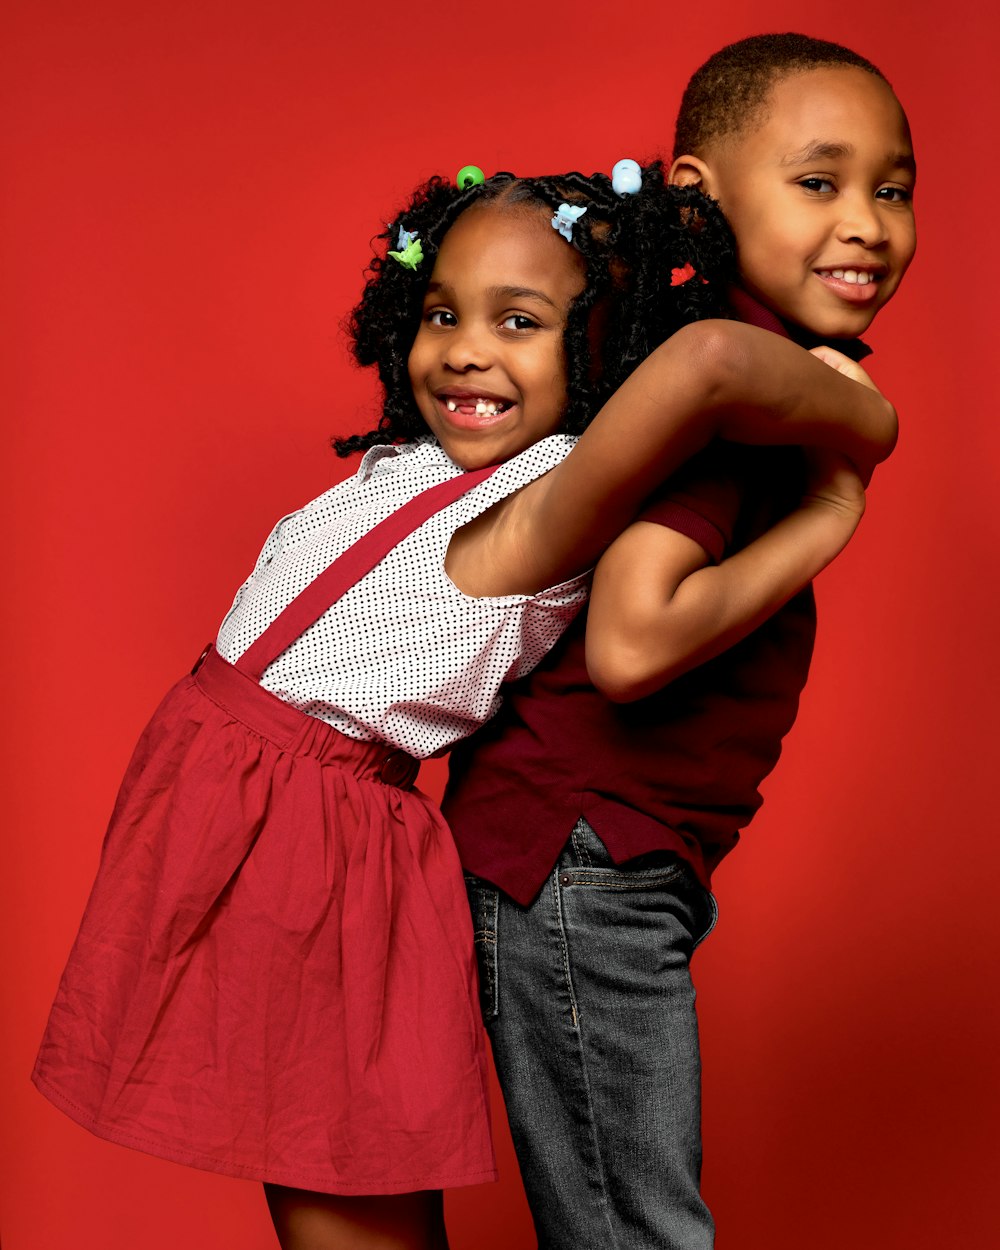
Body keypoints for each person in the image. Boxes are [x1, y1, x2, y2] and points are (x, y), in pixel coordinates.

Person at [32, 162, 894, 1250]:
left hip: (316, 839)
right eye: (444, 311)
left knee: (337, 1173)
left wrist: (861, 431)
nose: (468, 347)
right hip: (239, 803)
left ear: (603, 355)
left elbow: (712, 356)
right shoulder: (424, 459)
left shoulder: (544, 504)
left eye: (522, 319)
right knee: (307, 1174)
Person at [444, 33, 917, 1250]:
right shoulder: (733, 390)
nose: (864, 222)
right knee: (638, 1233)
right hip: (581, 851)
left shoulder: (760, 370)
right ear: (699, 195)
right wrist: (828, 515)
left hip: (609, 853)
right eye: (818, 182)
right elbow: (632, 643)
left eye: (892, 187)